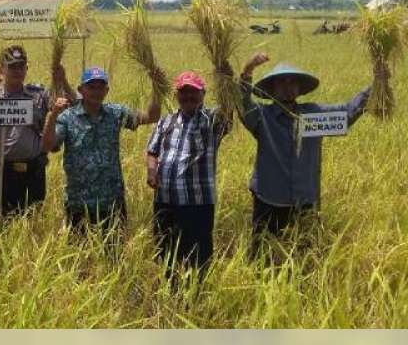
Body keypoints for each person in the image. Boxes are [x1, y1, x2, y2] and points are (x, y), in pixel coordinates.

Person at [239, 53, 372, 254]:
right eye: (281, 82)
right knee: (262, 255)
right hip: (269, 199)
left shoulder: (313, 115)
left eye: (293, 82)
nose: (287, 86)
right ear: (272, 89)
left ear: (300, 89)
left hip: (304, 201)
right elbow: (241, 102)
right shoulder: (261, 117)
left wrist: (376, 85)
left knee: (303, 255)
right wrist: (247, 71)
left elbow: (347, 113)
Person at [42, 66, 161, 234]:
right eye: (91, 87)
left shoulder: (115, 113)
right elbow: (47, 146)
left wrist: (157, 86)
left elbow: (151, 117)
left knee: (114, 256)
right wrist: (52, 116)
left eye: (100, 87)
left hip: (112, 202)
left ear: (107, 90)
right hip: (79, 204)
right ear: (81, 90)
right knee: (80, 255)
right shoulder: (67, 118)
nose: (96, 91)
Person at [146, 70, 232, 274]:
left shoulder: (211, 120)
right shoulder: (166, 122)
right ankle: (170, 293)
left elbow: (228, 109)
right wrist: (151, 171)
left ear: (203, 94)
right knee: (165, 253)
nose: (188, 96)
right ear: (176, 95)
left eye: (194, 92)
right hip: (165, 201)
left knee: (197, 257)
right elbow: (152, 151)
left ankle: (195, 298)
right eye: (184, 92)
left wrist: (224, 71)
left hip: (197, 203)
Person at [0, 44, 74, 218]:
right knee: (3, 220)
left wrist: (61, 81)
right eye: (12, 66)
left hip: (33, 169)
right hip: (3, 171)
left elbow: (73, 104)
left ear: (27, 68)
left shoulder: (39, 95)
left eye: (21, 66)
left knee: (34, 219)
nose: (17, 71)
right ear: (1, 69)